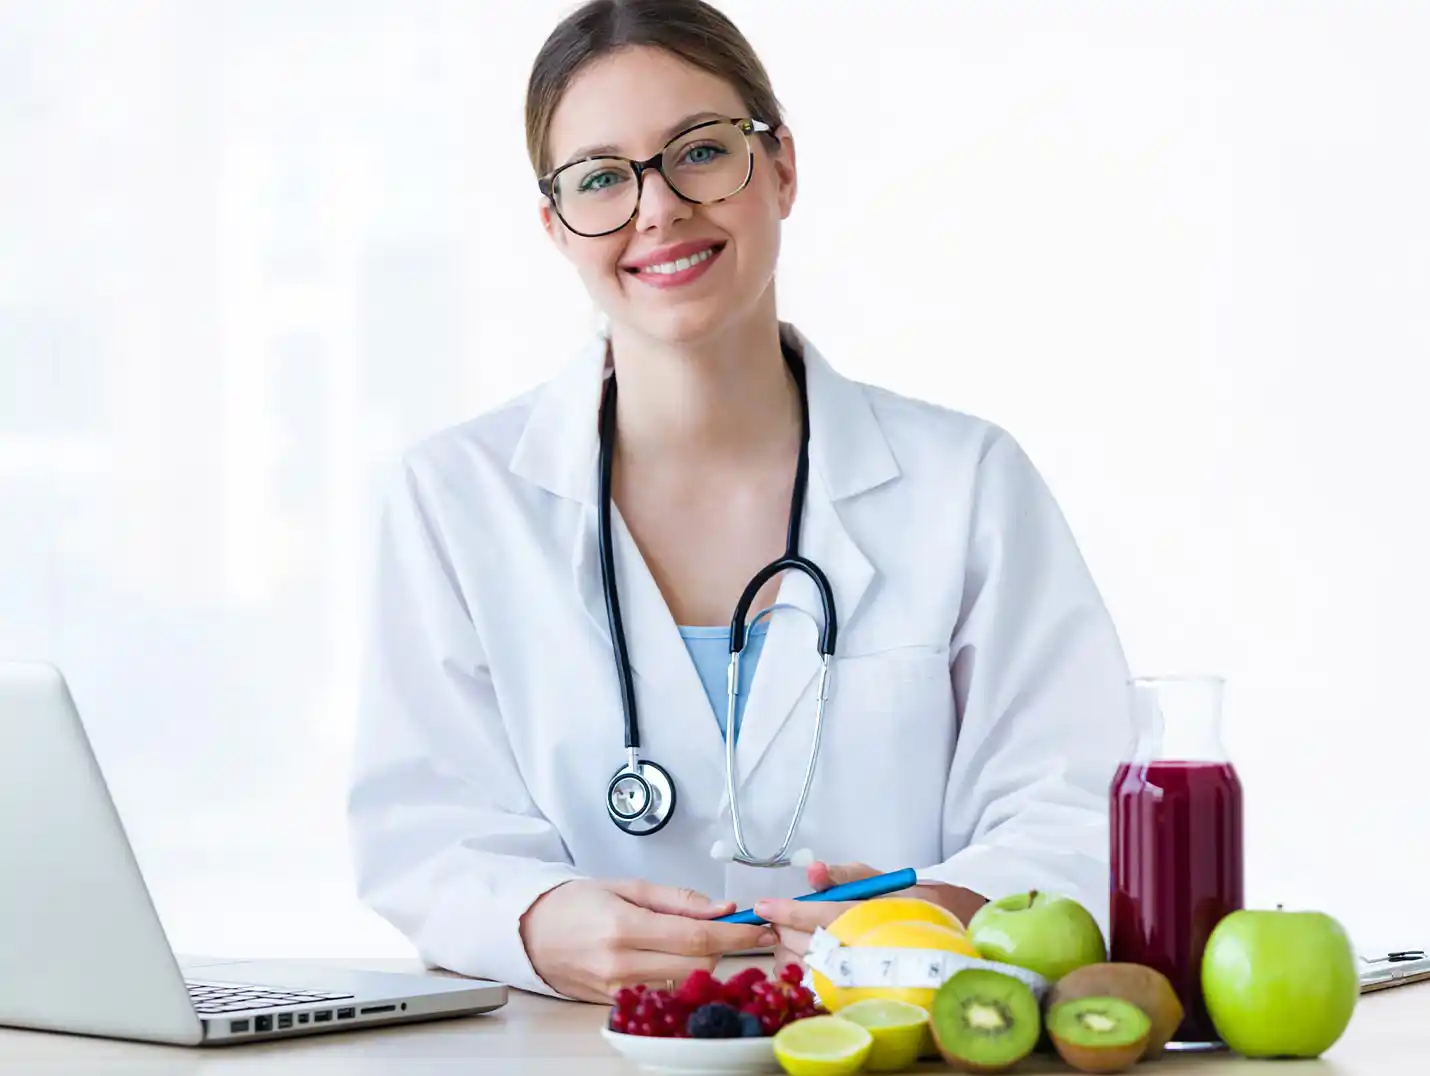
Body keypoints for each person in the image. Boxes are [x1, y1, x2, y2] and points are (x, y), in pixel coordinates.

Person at [346, 0, 1134, 1005]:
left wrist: (943, 903)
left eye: (700, 152)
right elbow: (424, 826)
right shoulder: (454, 500)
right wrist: (537, 921)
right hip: (586, 1055)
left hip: (887, 1047)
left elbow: (1075, 797)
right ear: (554, 226)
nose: (659, 208)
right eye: (600, 178)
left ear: (782, 168)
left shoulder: (965, 482)